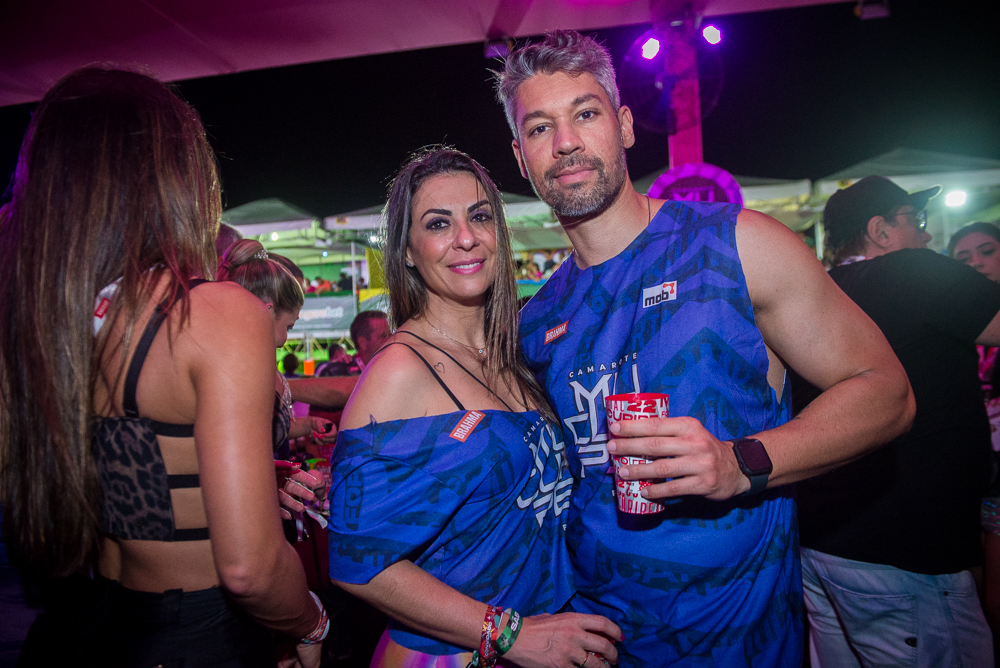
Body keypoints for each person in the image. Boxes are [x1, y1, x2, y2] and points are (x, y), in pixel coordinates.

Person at [495, 31, 914, 666]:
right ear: (521, 158)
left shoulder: (737, 245)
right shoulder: (536, 321)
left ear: (624, 125)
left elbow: (887, 392)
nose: (566, 143)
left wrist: (739, 462)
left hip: (741, 645)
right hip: (598, 647)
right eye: (539, 128)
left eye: (585, 113)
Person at [0, 66, 326, 667]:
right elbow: (250, 570)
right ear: (177, 178)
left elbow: (132, 469)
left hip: (82, 628)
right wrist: (311, 623)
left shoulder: (35, 324)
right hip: (195, 638)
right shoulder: (213, 314)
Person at [326, 146, 621, 668]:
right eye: (438, 223)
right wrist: (509, 634)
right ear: (408, 251)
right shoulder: (400, 370)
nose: (466, 238)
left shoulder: (514, 355)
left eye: (480, 216)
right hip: (447, 657)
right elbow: (356, 564)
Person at [792, 177, 1000, 667]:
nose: (926, 235)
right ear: (880, 230)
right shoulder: (914, 270)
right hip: (906, 551)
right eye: (916, 220)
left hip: (822, 545)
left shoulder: (816, 290)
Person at [216, 239, 338, 462]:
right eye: (289, 327)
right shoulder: (235, 373)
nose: (284, 340)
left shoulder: (232, 362)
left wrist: (308, 424)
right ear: (266, 312)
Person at [950, 221, 1000, 660]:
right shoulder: (958, 322)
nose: (977, 264)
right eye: (964, 259)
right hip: (978, 469)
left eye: (986, 252)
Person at [290, 311, 391, 407]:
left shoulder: (393, 368)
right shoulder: (336, 372)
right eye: (384, 336)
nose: (391, 339)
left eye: (390, 335)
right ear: (362, 342)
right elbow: (320, 416)